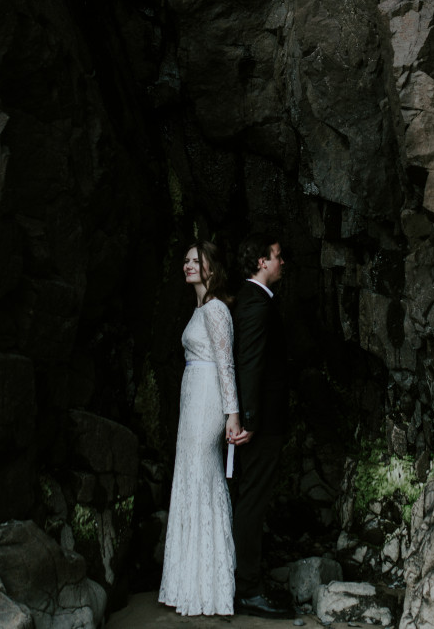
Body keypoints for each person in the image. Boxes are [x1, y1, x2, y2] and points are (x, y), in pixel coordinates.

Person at [158, 241, 245, 616]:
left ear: (212, 269)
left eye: (197, 261)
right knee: (191, 479)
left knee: (203, 477)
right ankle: (189, 584)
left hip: (209, 399)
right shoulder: (200, 310)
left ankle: (214, 587)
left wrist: (232, 414)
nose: (189, 266)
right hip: (193, 397)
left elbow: (226, 363)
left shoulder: (215, 310)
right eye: (186, 261)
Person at [230, 231, 288, 617]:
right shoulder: (257, 305)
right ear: (261, 262)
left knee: (248, 499)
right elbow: (248, 363)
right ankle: (247, 589)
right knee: (251, 502)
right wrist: (248, 419)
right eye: (278, 256)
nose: (283, 262)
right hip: (259, 425)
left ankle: (244, 581)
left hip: (259, 421)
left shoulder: (254, 301)